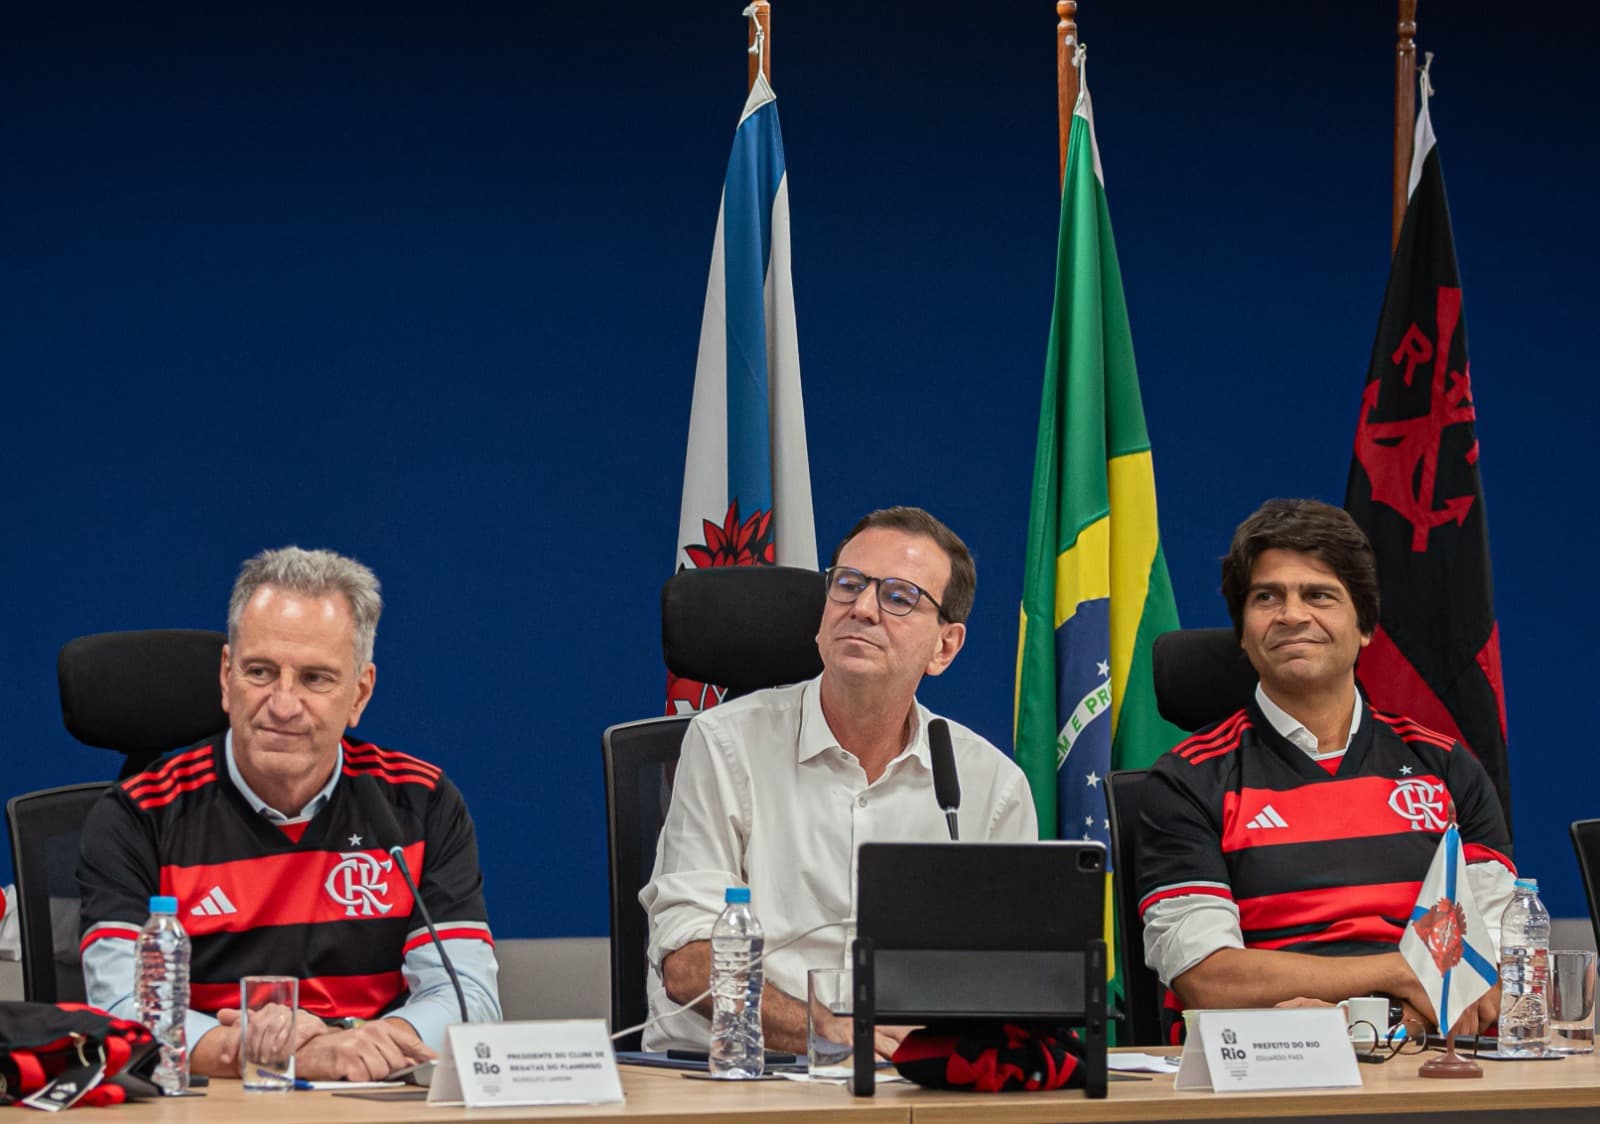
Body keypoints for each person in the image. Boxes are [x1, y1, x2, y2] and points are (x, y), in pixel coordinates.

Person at [78, 547, 500, 1081]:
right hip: (209, 1111)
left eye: (315, 679)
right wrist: (273, 1053)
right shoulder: (137, 814)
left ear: (359, 694)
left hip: (367, 1106)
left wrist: (358, 1043)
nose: (282, 703)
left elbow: (468, 997)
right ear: (226, 677)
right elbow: (123, 1011)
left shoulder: (421, 803)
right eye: (260, 671)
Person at [641, 506, 1039, 1053]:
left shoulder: (990, 786)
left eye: (899, 597)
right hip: (740, 1082)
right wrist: (826, 1031)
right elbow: (687, 962)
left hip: (910, 1087)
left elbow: (1018, 977)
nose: (864, 608)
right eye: (848, 585)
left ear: (944, 647)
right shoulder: (724, 743)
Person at [1135, 499, 1515, 1039]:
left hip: (1427, 1071)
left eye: (1319, 595)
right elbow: (1210, 979)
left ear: (1364, 627)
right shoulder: (1187, 781)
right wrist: (1397, 975)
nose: (1292, 614)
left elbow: (1490, 968)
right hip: (1261, 1082)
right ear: (1243, 633)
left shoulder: (1447, 768)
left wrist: (1371, 1024)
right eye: (1267, 597)